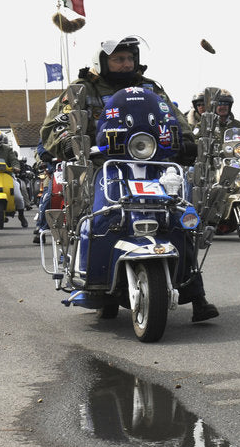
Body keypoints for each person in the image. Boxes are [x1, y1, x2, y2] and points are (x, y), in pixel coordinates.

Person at [40, 35, 218, 321]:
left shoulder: (150, 88)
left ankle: (194, 292)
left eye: (129, 58)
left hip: (155, 166)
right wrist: (70, 143)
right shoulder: (83, 89)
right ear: (102, 61)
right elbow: (54, 128)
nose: (125, 64)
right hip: (102, 167)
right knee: (100, 219)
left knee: (181, 218)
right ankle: (95, 285)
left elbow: (174, 119)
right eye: (118, 59)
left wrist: (186, 142)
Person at [0, 129, 27, 227]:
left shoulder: (7, 149)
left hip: (7, 175)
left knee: (18, 195)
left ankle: (21, 215)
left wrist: (16, 167)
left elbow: (14, 160)